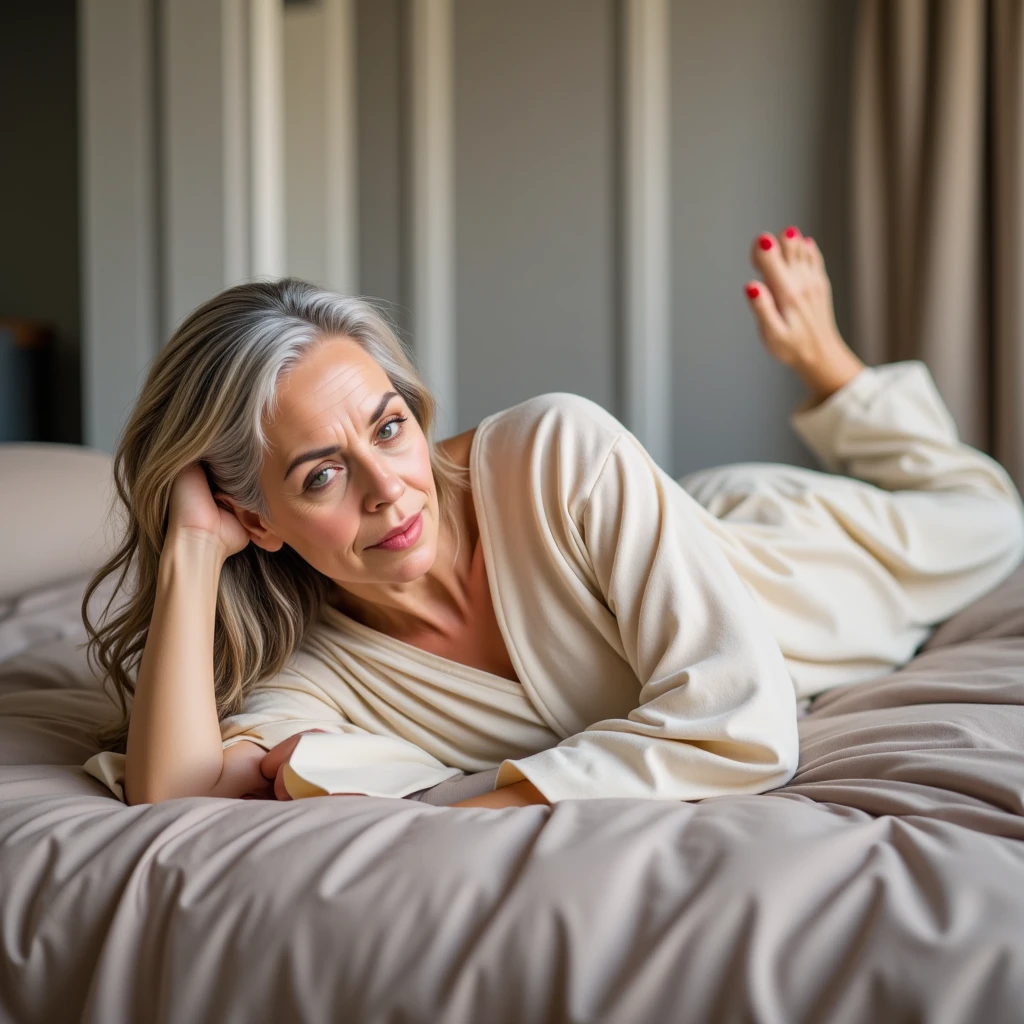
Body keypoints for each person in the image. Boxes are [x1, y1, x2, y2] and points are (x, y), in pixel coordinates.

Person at [81, 226, 1024, 809]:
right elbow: (176, 795)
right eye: (323, 475)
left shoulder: (556, 446)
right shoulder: (318, 666)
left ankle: (833, 372)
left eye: (390, 427)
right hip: (645, 535)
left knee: (988, 520)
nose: (389, 490)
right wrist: (193, 551)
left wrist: (486, 808)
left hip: (776, 561)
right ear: (258, 515)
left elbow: (744, 727)